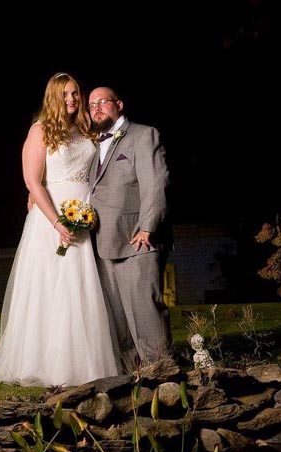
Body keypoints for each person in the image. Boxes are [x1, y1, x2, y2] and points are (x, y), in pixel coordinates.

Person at [0, 72, 118, 388]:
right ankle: (48, 363)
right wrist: (57, 221)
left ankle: (87, 363)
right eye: (65, 95)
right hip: (51, 217)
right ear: (53, 97)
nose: (71, 100)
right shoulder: (40, 130)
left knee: (84, 287)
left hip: (85, 213)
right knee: (55, 289)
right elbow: (32, 181)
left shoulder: (86, 130)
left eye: (75, 93)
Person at [88, 86, 172, 370]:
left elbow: (155, 183)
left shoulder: (143, 135)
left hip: (137, 241)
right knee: (120, 322)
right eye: (92, 105)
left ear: (119, 104)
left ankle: (163, 376)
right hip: (103, 244)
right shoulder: (95, 144)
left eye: (103, 102)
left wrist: (148, 226)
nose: (96, 108)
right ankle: (135, 384)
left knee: (145, 315)